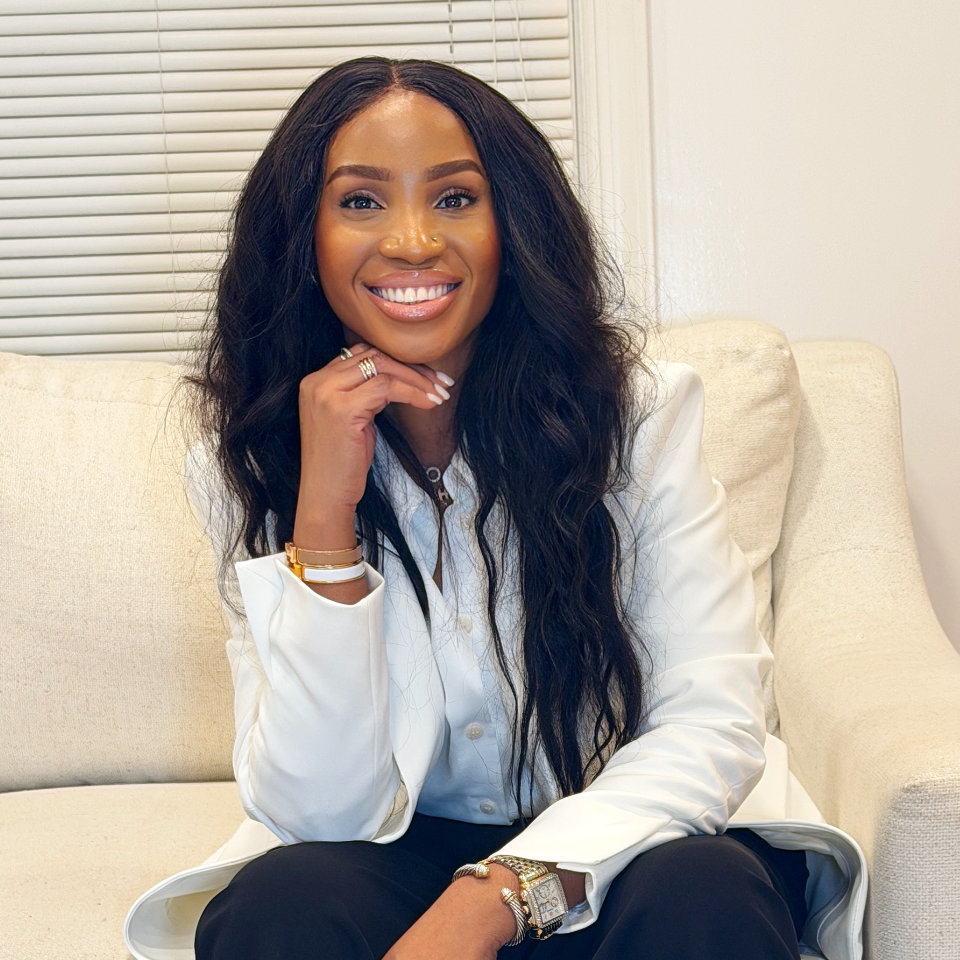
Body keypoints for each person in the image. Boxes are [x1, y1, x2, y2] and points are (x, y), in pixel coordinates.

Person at [124, 57, 865, 960]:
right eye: (360, 202)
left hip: (625, 844)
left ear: (511, 222)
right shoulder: (248, 458)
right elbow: (322, 811)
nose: (410, 241)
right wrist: (325, 519)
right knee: (282, 903)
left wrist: (498, 899)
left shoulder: (633, 415)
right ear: (302, 236)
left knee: (702, 897)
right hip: (400, 852)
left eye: (454, 199)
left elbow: (708, 720)